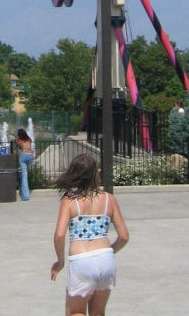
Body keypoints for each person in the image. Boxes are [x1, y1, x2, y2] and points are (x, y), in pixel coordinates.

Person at [51, 154, 128, 316]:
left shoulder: (70, 200)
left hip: (81, 260)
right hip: (106, 257)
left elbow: (59, 235)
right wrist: (109, 251)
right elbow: (124, 236)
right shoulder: (109, 199)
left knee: (75, 312)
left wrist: (60, 262)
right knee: (98, 312)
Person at [15, 128, 34, 201]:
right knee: (25, 174)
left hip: (24, 156)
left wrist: (17, 138)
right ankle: (22, 188)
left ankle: (25, 196)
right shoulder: (29, 139)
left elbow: (16, 141)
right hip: (31, 156)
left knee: (24, 176)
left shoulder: (19, 140)